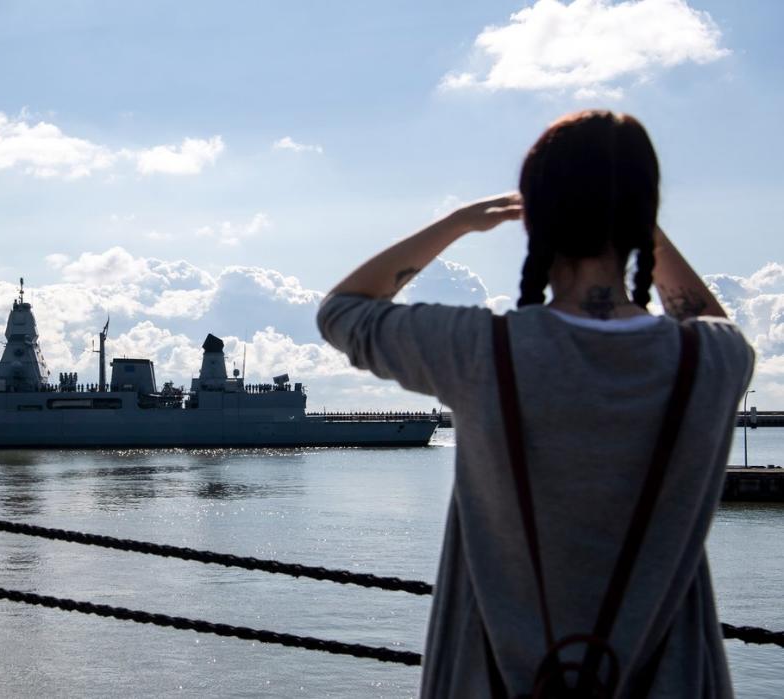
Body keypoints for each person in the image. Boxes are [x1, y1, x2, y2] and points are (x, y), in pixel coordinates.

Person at [317, 110, 753, 697]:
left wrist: (458, 222)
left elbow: (344, 310)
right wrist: (640, 220)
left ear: (537, 218)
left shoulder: (482, 350)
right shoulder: (711, 361)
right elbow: (707, 322)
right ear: (642, 216)